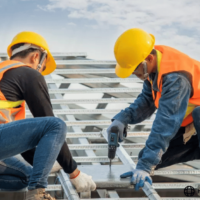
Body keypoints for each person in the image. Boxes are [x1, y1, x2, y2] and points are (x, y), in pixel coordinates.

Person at [0, 31, 96, 200]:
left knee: (25, 176)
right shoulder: (28, 73)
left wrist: (44, 160)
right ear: (36, 57)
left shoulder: (5, 74)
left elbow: (21, 140)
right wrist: (73, 172)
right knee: (56, 125)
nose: (40, 72)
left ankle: (34, 181)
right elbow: (49, 122)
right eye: (42, 68)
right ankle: (37, 193)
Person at [107, 28, 200, 191]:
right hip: (194, 126)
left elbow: (166, 121)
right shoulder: (155, 66)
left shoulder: (175, 78)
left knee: (148, 161)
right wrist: (123, 118)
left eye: (134, 69)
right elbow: (147, 101)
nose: (134, 74)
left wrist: (145, 166)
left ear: (148, 59)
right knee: (149, 157)